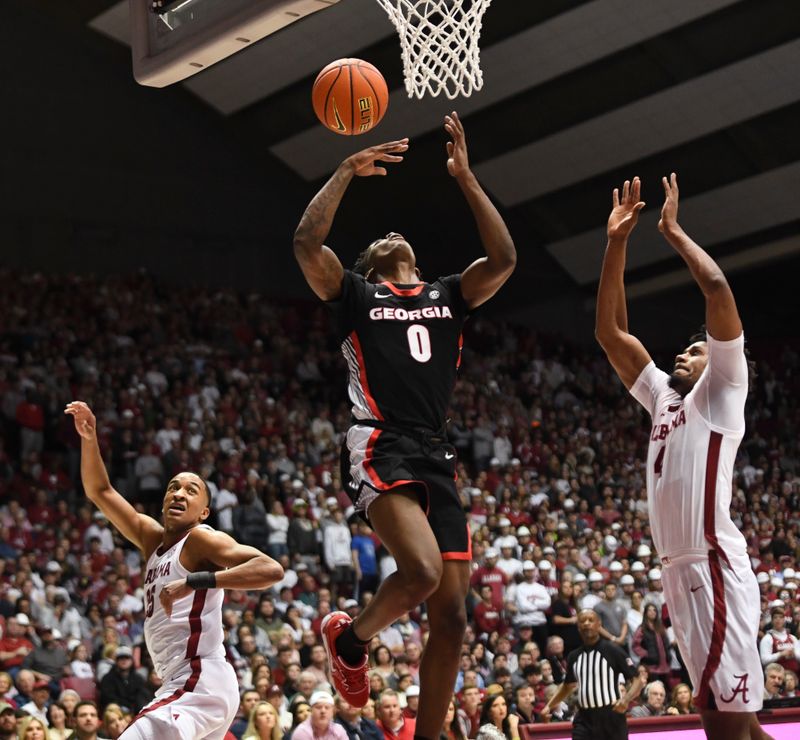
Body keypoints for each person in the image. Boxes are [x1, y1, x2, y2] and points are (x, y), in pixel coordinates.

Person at [294, 108, 515, 740]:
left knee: (453, 621)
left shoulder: (448, 293)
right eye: (379, 244)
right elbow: (307, 245)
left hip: (435, 452)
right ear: (371, 266)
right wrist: (343, 171)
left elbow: (503, 256)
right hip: (380, 441)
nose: (393, 234)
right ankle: (351, 640)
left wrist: (467, 179)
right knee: (419, 573)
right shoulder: (358, 296)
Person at [595, 174, 766, 739]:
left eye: (696, 349)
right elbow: (611, 332)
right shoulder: (664, 397)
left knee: (724, 726)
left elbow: (716, 288)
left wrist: (671, 231)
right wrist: (617, 242)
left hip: (712, 567)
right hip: (680, 574)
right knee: (732, 722)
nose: (684, 352)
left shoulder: (722, 392)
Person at [64, 401, 283, 740]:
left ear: (204, 512)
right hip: (183, 681)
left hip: (200, 679)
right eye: (173, 488)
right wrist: (89, 438)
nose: (179, 494)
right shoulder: (151, 539)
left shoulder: (199, 539)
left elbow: (270, 569)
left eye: (190, 491)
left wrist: (195, 580)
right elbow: (100, 491)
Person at [540, 610, 644, 740]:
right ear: (578, 626)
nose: (586, 623)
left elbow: (637, 680)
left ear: (599, 625)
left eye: (590, 620)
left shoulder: (612, 650)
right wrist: (549, 706)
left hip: (611, 717)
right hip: (584, 718)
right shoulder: (574, 656)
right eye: (582, 621)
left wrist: (626, 700)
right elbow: (567, 686)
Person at [98, 647, 152, 715]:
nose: (124, 660)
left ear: (132, 660)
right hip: (117, 712)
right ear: (116, 661)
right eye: (121, 658)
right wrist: (125, 706)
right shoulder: (107, 678)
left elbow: (144, 695)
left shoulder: (138, 678)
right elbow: (107, 698)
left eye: (127, 657)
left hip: (136, 712)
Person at [631, 604, 671, 685]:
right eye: (649, 610)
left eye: (654, 610)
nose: (652, 612)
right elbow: (635, 645)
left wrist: (668, 655)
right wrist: (646, 654)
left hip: (664, 665)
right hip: (651, 666)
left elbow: (666, 643)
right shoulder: (642, 629)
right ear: (645, 613)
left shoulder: (661, 627)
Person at [759, 607, 800, 673]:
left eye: (781, 617)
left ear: (784, 620)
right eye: (775, 617)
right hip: (776, 677)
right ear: (772, 620)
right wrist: (781, 654)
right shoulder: (767, 638)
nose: (778, 620)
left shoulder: (792, 638)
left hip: (794, 676)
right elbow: (764, 660)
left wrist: (794, 653)